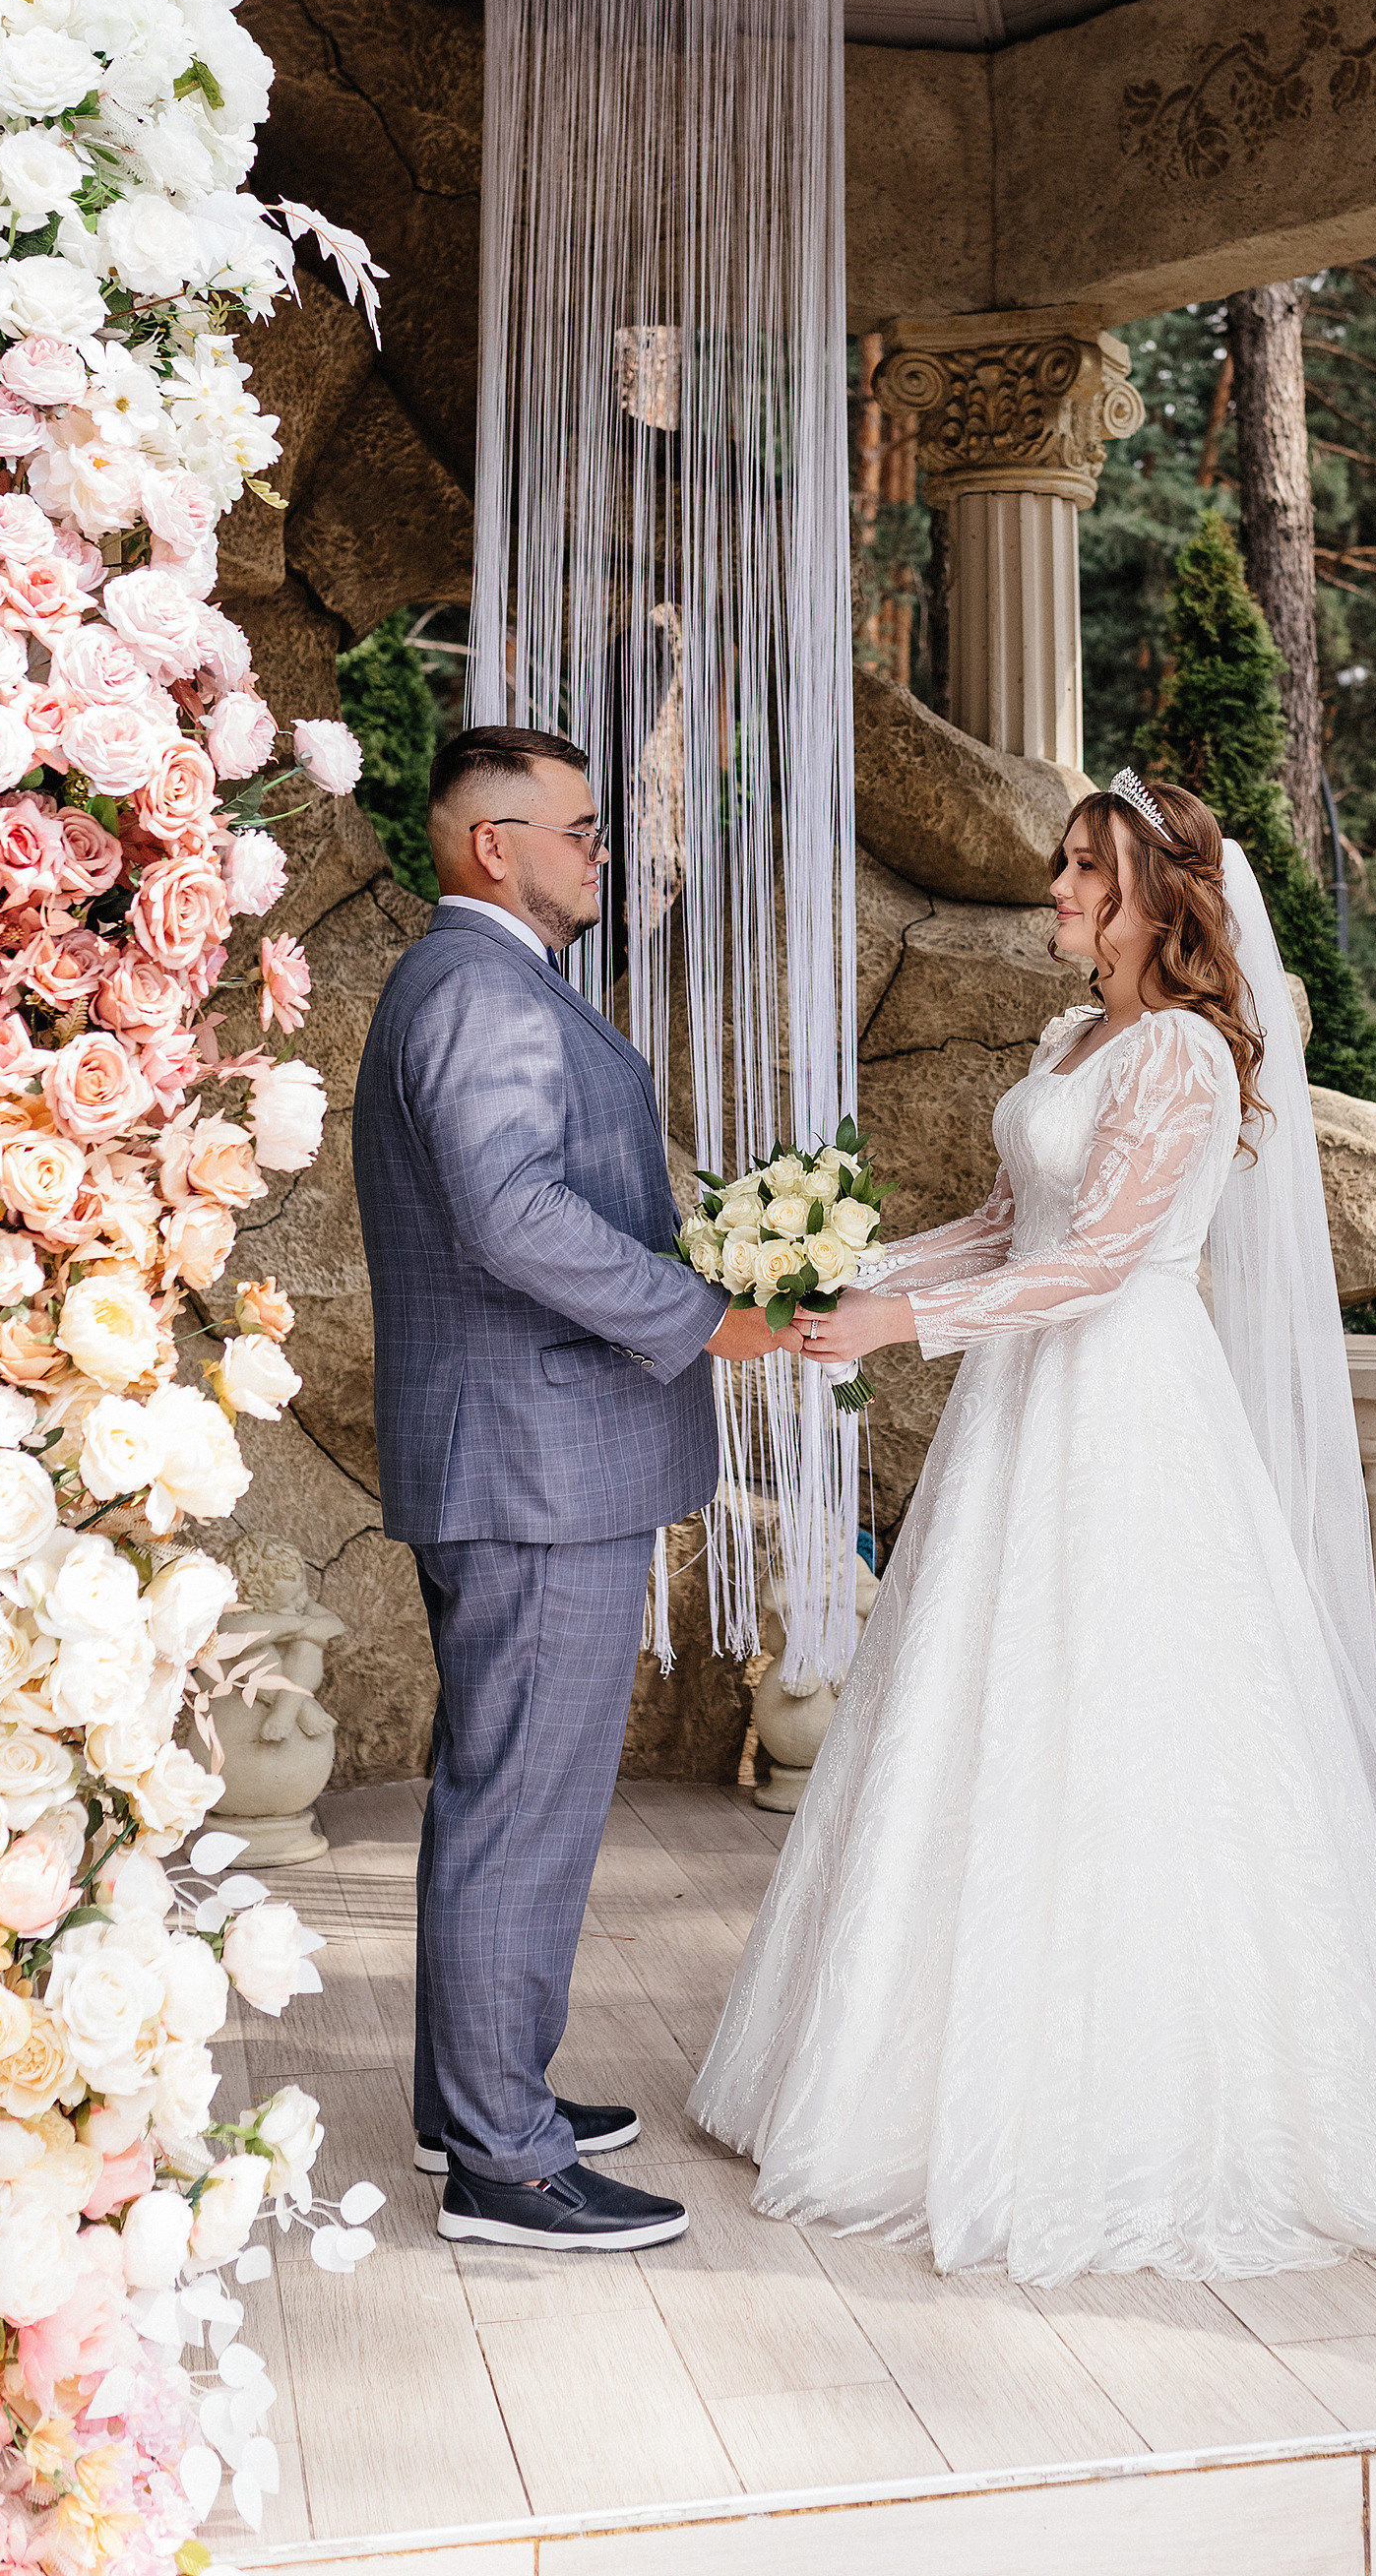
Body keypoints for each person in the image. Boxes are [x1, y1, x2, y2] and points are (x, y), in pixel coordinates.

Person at [689, 771, 1376, 2283]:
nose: (1061, 889)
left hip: (1127, 1398)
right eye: (1066, 863)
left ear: (1161, 902)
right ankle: (906, 2076)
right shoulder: (1070, 1039)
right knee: (983, 1711)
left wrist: (895, 1326)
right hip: (1023, 1403)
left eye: (1090, 870)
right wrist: (837, 1276)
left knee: (1132, 1726)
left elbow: (1101, 1264)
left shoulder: (1188, 1056)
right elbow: (1008, 1230)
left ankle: (1136, 2113)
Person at [353, 722, 782, 2254]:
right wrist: (704, 1313)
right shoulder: (477, 988)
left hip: (522, 1454)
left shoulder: (481, 980)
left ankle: (467, 2101)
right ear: (494, 845)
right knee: (521, 1810)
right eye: (583, 829)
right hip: (535, 1466)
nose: (606, 851)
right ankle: (506, 2165)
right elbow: (512, 1215)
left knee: (500, 1795)